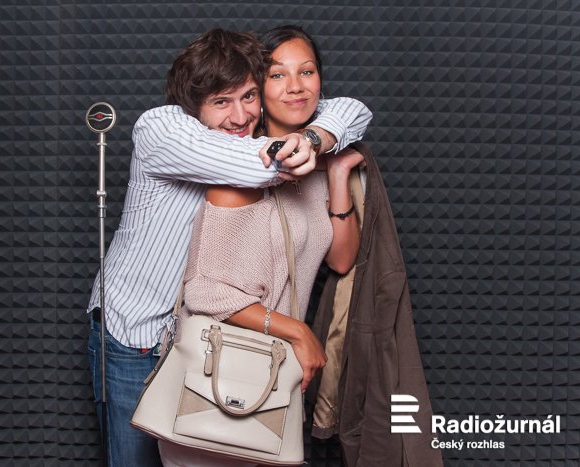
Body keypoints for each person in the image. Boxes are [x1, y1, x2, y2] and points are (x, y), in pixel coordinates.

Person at [86, 28, 373, 467]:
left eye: (249, 96)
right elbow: (266, 165)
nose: (240, 116)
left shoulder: (266, 135)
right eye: (221, 102)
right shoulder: (161, 129)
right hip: (137, 335)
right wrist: (307, 143)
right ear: (193, 105)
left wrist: (314, 138)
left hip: (217, 339)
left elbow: (353, 110)